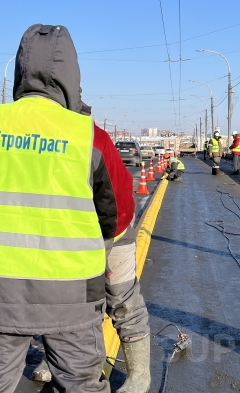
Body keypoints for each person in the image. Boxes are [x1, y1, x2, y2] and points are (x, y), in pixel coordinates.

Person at [0, 24, 136, 393]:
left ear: (20, 72)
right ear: (72, 75)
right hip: (73, 297)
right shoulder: (90, 137)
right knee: (81, 383)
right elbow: (119, 216)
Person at [32, 98, 152, 393]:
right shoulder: (41, 145)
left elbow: (121, 206)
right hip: (68, 240)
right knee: (59, 299)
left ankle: (140, 376)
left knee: (121, 300)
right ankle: (61, 358)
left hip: (113, 231)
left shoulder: (92, 140)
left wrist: (100, 253)